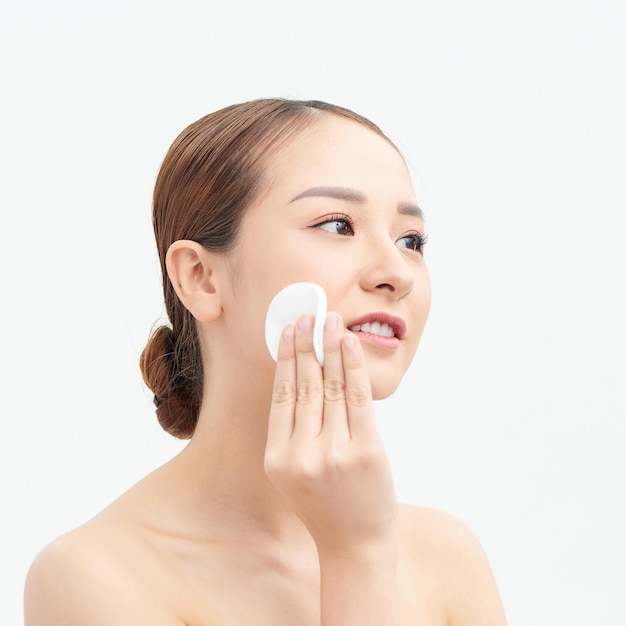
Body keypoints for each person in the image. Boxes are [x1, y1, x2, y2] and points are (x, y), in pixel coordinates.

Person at [24, 98, 507, 625]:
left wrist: (362, 545)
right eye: (338, 225)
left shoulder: (447, 559)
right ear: (200, 278)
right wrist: (356, 557)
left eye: (410, 240)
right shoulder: (94, 577)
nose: (398, 272)